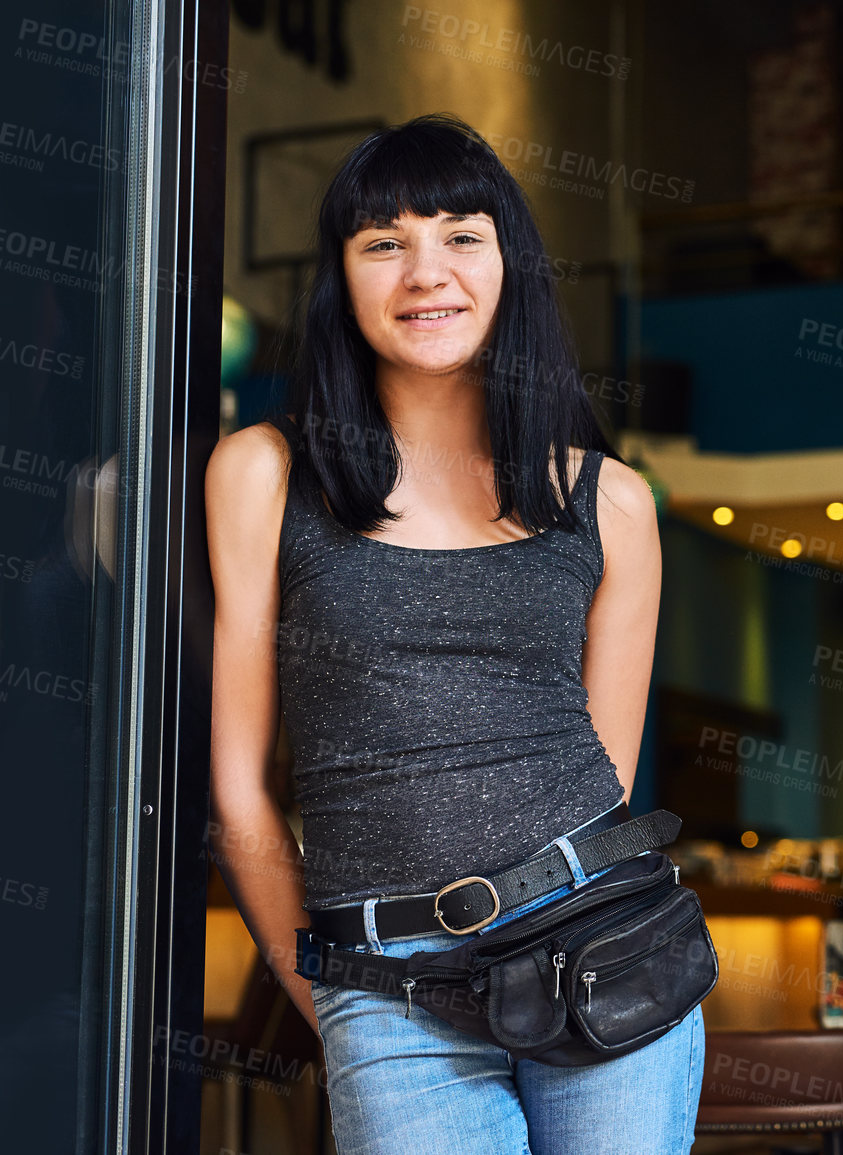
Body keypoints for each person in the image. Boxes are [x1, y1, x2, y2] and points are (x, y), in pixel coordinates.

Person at [205, 113, 699, 1154]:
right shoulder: (265, 474)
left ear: (510, 263)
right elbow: (241, 788)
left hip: (605, 947)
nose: (426, 272)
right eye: (384, 243)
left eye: (461, 236)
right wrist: (335, 994)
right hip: (383, 983)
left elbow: (604, 776)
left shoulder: (609, 503)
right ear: (341, 277)